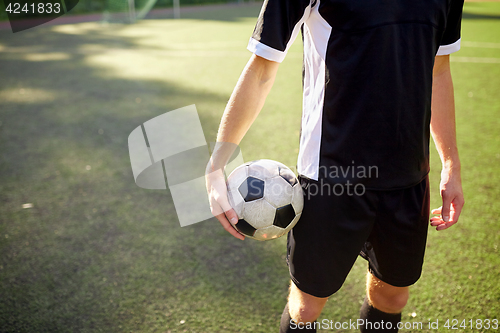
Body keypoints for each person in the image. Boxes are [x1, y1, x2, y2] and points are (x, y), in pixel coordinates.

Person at [206, 0, 465, 331]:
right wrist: (216, 166)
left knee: (392, 298)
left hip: (408, 176)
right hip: (330, 175)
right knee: (307, 306)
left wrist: (451, 164)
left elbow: (438, 70)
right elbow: (261, 69)